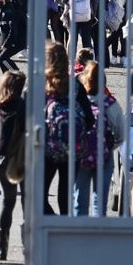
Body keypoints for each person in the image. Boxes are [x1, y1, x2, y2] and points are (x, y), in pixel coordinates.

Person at [42, 43, 94, 215]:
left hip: (45, 148)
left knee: (38, 195)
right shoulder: (76, 86)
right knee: (65, 195)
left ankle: (49, 226)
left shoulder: (40, 85)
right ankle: (64, 229)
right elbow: (89, 118)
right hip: (73, 148)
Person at [74, 61, 126, 216]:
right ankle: (97, 232)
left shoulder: (77, 102)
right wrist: (108, 145)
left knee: (79, 199)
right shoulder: (110, 104)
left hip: (81, 155)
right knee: (99, 200)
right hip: (103, 156)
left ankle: (78, 232)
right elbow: (121, 134)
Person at [0, 71, 25, 261]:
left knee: (7, 202)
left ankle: (1, 248)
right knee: (26, 203)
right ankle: (26, 245)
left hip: (4, 162)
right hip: (23, 159)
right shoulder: (24, 107)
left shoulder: (0, 108)